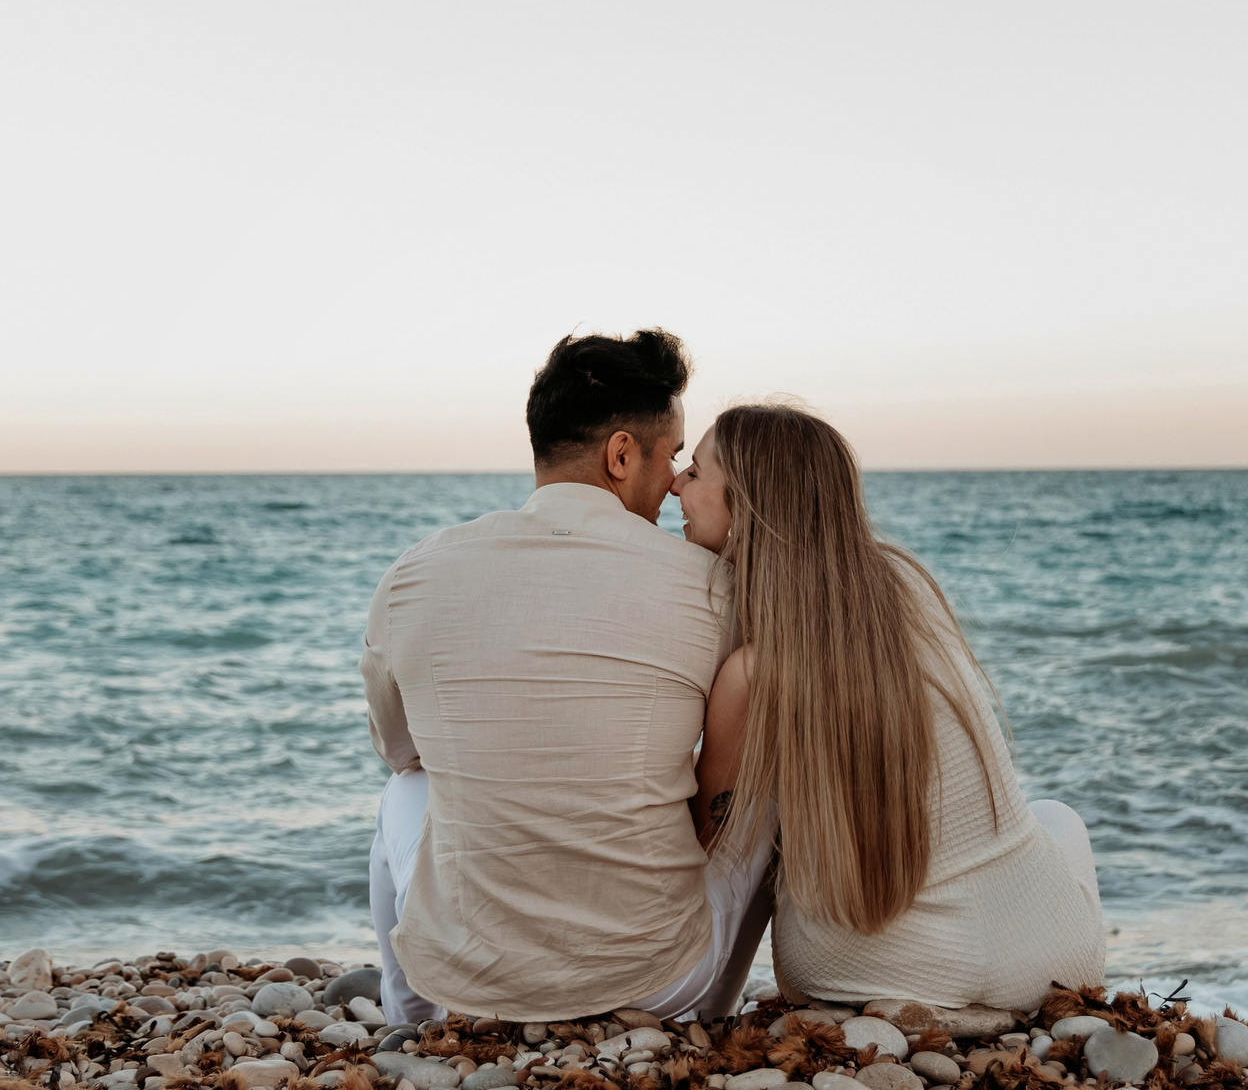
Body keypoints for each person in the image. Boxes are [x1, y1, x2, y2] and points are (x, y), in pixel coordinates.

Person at [360, 330, 777, 1024]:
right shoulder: (710, 588)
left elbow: (402, 753)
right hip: (660, 980)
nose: (676, 479)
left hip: (473, 978)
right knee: (766, 779)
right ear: (621, 454)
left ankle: (409, 1016)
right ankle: (713, 1017)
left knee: (401, 790)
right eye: (672, 455)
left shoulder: (412, 576)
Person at [670, 402, 1104, 1012]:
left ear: (745, 501)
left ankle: (707, 1004)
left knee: (759, 813)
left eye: (693, 472)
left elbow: (707, 838)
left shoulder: (754, 671)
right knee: (1058, 817)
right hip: (1050, 960)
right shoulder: (907, 588)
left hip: (863, 969)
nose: (674, 484)